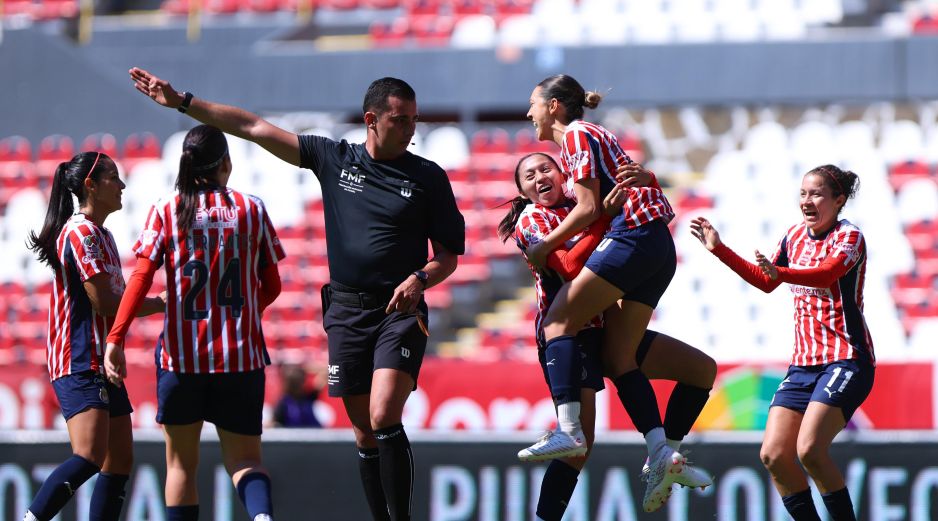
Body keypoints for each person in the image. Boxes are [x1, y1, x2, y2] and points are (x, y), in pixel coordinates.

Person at [126, 68, 465, 521]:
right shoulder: (334, 158)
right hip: (345, 311)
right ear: (371, 119)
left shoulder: (428, 177)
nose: (410, 129)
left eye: (414, 121)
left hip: (397, 311)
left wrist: (421, 278)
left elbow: (448, 256)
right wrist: (183, 102)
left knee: (384, 414)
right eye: (401, 120)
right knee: (364, 433)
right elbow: (252, 127)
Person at [500, 152, 716, 520]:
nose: (539, 177)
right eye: (529, 175)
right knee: (578, 448)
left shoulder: (582, 204)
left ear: (562, 173)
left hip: (609, 327)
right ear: (522, 191)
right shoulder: (533, 218)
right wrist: (603, 218)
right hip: (571, 336)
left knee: (701, 370)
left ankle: (663, 461)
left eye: (545, 168)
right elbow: (569, 268)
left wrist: (641, 181)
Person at [521, 74, 686, 511]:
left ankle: (568, 427)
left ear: (554, 105)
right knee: (623, 359)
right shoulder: (593, 135)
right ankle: (660, 452)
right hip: (657, 247)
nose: (528, 113)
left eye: (533, 104)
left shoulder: (574, 135)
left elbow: (590, 210)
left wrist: (545, 245)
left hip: (632, 238)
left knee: (556, 320)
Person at [104, 125, 285, 521]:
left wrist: (116, 337)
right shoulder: (251, 209)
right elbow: (272, 286)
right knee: (246, 462)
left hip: (181, 361)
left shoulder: (168, 209)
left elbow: (139, 279)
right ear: (226, 163)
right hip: (240, 357)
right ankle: (262, 517)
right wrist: (242, 316)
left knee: (181, 466)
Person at [690, 165, 874, 521]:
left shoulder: (849, 237)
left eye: (817, 194)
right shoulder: (793, 236)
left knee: (809, 451)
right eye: (803, 193)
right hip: (803, 365)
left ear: (838, 201)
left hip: (845, 359)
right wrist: (720, 249)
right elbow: (766, 280)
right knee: (773, 454)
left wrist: (783, 273)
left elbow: (826, 275)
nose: (807, 201)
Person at [25, 151, 165, 521]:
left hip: (100, 358)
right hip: (79, 356)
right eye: (114, 178)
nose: (122, 185)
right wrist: (161, 302)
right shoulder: (81, 232)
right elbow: (104, 302)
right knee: (89, 454)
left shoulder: (102, 233)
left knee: (119, 460)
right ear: (91, 185)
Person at [273, 363, 325, 428]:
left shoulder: (309, 396)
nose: (299, 385)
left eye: (301, 381)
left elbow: (325, 373)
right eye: (295, 383)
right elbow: (275, 423)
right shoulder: (283, 403)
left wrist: (304, 369)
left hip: (313, 435)